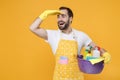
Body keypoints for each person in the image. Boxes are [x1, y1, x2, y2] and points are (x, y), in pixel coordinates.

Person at [29, 6, 111, 80]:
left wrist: (104, 53)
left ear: (70, 18)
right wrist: (44, 15)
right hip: (59, 78)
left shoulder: (81, 35)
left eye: (63, 16)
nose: (60, 19)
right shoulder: (52, 35)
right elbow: (33, 28)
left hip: (77, 78)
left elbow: (96, 48)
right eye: (58, 17)